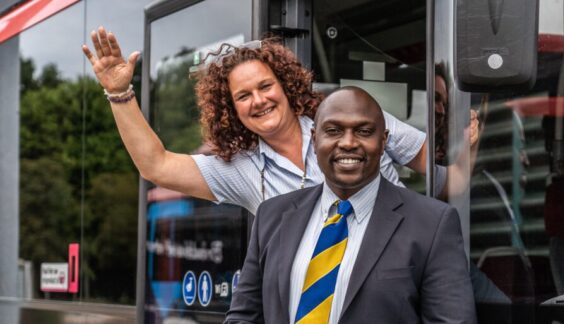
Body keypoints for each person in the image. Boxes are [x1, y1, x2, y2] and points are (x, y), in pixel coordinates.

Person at [81, 27, 474, 215]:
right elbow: (157, 165)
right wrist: (120, 94)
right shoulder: (239, 169)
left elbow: (449, 183)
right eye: (243, 96)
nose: (258, 100)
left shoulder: (352, 119)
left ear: (285, 86)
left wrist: (476, 139)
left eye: (265, 86)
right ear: (231, 110)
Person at [224, 86, 475, 324]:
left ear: (384, 140)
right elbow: (244, 317)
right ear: (314, 138)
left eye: (364, 131)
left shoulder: (432, 223)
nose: (348, 143)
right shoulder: (272, 215)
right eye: (333, 131)